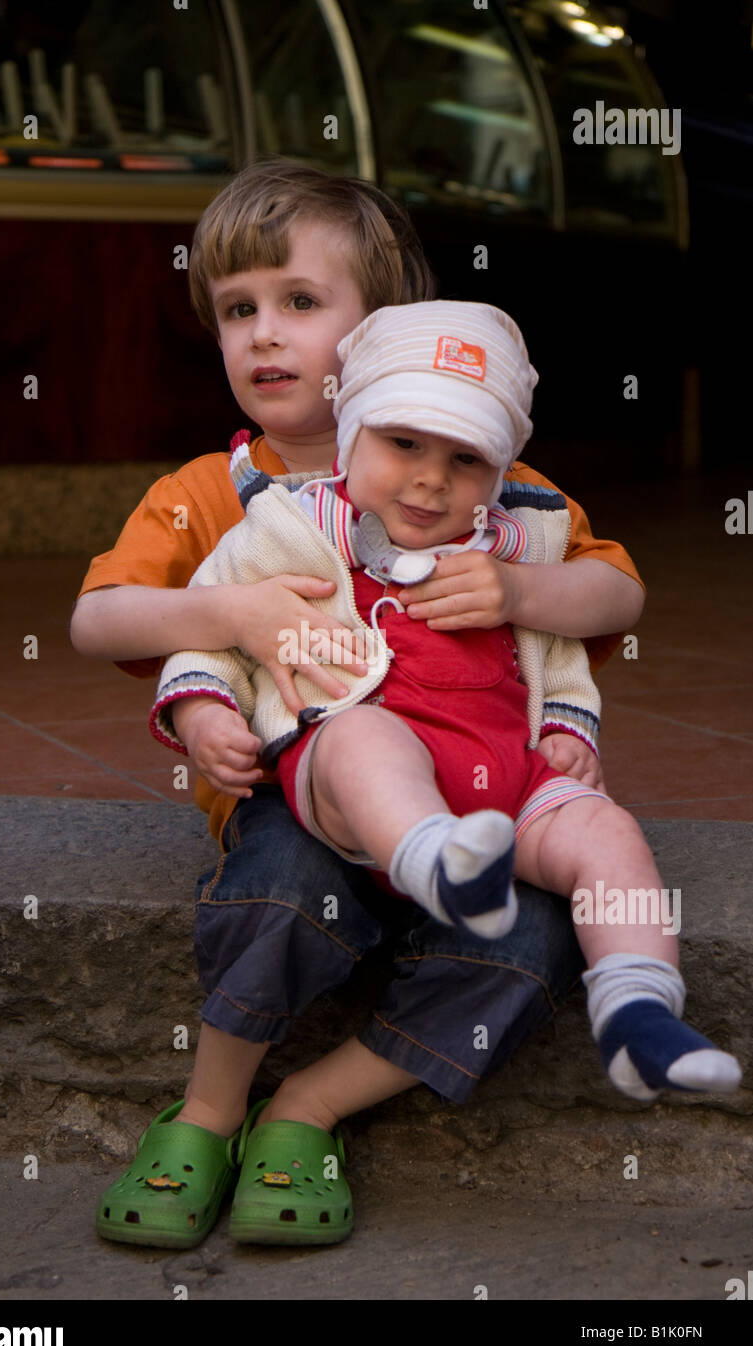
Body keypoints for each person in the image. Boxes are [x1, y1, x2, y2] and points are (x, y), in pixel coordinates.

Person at [71, 160, 648, 1251]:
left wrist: (520, 591)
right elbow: (97, 621)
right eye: (237, 310)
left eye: (298, 302)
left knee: (532, 943)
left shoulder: (482, 483)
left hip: (479, 821)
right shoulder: (205, 493)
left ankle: (311, 1104)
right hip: (299, 814)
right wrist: (230, 631)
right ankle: (209, 1107)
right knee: (283, 883)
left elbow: (615, 587)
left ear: (390, 332)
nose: (263, 336)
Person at [155, 300, 741, 1186]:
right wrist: (204, 716)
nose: (431, 481)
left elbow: (559, 657)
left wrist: (564, 733)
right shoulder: (287, 525)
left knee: (606, 833)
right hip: (344, 787)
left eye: (465, 459)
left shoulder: (522, 542)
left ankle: (637, 1009)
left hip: (501, 793)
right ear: (349, 435)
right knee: (366, 735)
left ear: (497, 469)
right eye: (403, 445)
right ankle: (429, 856)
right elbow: (202, 641)